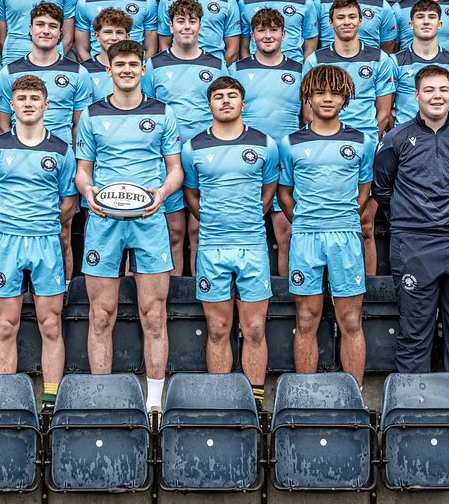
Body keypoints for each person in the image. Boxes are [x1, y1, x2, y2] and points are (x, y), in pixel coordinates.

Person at [75, 39, 182, 412]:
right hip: (104, 221)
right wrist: (88, 193)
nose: (126, 70)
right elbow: (82, 172)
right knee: (101, 313)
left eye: (133, 64)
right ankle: (102, 401)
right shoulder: (91, 115)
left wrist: (162, 194)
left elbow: (175, 170)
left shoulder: (163, 113)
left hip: (149, 219)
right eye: (119, 64)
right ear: (108, 69)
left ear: (142, 68)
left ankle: (154, 405)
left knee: (153, 314)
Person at [374, 65, 449, 399]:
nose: (437, 96)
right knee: (414, 333)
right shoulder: (396, 139)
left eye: (443, 89)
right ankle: (413, 410)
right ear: (416, 96)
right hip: (414, 244)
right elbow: (383, 189)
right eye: (429, 90)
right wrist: (413, 217)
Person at [0, 75, 78, 407]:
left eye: (35, 97)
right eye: (22, 98)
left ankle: (50, 401)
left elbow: (69, 202)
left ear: (47, 105)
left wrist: (42, 224)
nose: (29, 103)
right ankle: (7, 400)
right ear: (12, 105)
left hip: (46, 242)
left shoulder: (61, 149)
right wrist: (8, 225)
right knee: (5, 324)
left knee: (50, 323)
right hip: (7, 243)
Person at [182, 77, 278, 404]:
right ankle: (221, 403)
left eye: (232, 96)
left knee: (253, 329)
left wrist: (247, 219)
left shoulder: (265, 144)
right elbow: (191, 196)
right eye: (219, 97)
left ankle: (254, 404)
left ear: (242, 103)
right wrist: (213, 220)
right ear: (209, 104)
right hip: (212, 247)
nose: (225, 101)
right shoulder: (193, 147)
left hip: (252, 245)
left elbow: (269, 193)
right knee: (218, 328)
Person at [279, 65, 375, 383]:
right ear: (308, 96)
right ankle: (305, 397)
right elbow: (284, 192)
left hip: (345, 236)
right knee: (306, 319)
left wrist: (341, 218)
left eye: (335, 92)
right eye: (320, 92)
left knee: (350, 320)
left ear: (346, 97)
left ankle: (354, 397)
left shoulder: (362, 141)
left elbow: (364, 191)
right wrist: (307, 220)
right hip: (306, 236)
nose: (327, 98)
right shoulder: (289, 142)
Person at [0, 2, 93, 276]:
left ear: (62, 33)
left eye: (52, 26)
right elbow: (3, 124)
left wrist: (74, 161)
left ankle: (60, 296)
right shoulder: (9, 72)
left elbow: (80, 126)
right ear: (29, 29)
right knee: (13, 232)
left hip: (59, 162)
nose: (46, 31)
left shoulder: (77, 73)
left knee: (62, 234)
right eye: (40, 25)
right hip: (18, 164)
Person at [303, 0, 395, 275]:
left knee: (364, 224)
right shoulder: (315, 60)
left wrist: (368, 143)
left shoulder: (380, 58)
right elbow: (308, 112)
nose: (346, 22)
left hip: (365, 150)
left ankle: (366, 292)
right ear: (330, 23)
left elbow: (384, 112)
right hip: (324, 150)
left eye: (351, 17)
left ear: (360, 20)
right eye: (340, 18)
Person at [145, 0, 230, 274]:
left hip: (204, 156)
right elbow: (145, 109)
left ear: (200, 26)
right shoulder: (154, 64)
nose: (186, 27)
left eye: (192, 21)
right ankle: (174, 292)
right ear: (171, 26)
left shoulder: (216, 64)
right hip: (164, 159)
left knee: (199, 229)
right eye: (180, 21)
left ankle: (199, 291)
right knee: (173, 230)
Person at [233, 8, 303, 275]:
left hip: (285, 160)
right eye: (261, 30)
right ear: (252, 36)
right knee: (245, 234)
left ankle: (287, 295)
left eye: (273, 30)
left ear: (284, 34)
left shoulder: (298, 70)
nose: (268, 35)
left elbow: (305, 117)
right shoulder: (238, 69)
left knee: (285, 233)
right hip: (247, 161)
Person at [392, 0, 449, 125]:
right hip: (405, 137)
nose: (426, 22)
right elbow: (386, 109)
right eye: (420, 17)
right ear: (411, 24)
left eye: (432, 17)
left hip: (443, 138)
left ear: (440, 24)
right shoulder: (394, 62)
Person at [80, 8, 133, 101]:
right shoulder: (83, 70)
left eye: (119, 32)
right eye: (108, 32)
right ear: (97, 36)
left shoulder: (136, 69)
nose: (114, 38)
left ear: (127, 37)